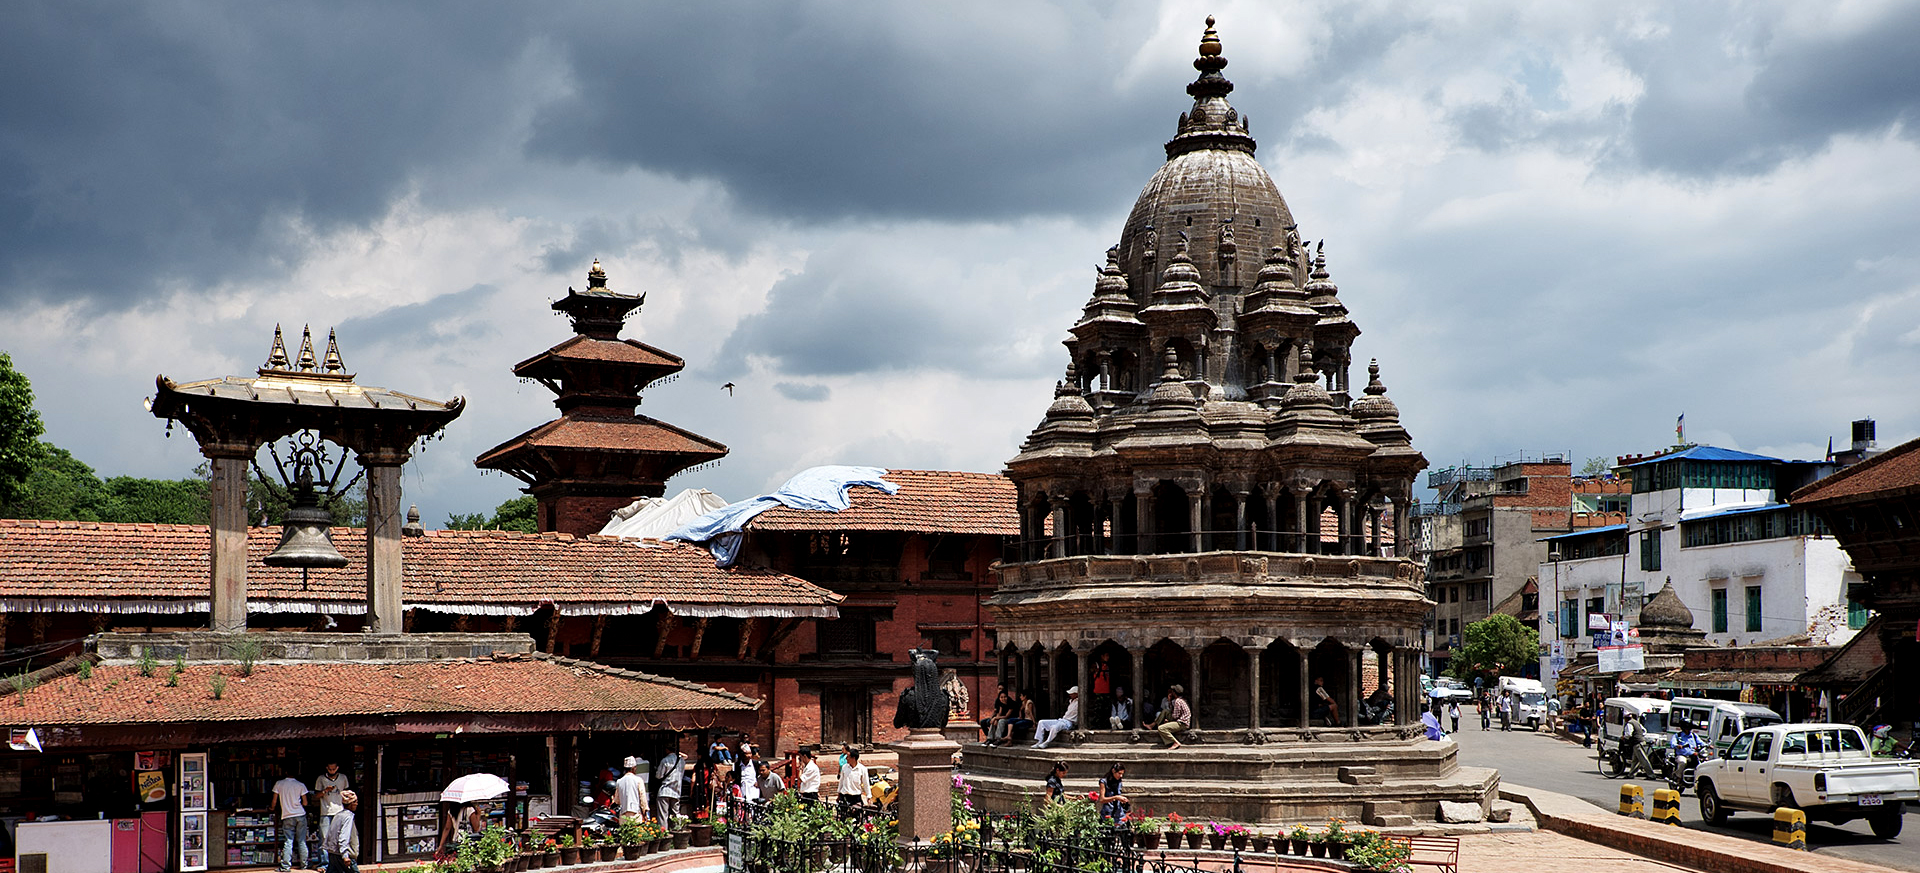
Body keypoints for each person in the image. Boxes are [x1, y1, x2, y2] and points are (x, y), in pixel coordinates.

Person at [314, 761, 350, 871]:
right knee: (324, 838)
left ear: (337, 768)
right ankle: (324, 864)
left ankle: (338, 862)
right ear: (326, 768)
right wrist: (325, 790)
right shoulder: (321, 779)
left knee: (340, 838)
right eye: (330, 769)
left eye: (334, 769)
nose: (332, 771)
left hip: (339, 811)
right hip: (326, 811)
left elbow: (347, 792)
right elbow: (316, 795)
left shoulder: (343, 778)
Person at [272, 771, 311, 873]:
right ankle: (304, 865)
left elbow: (274, 801)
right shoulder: (300, 785)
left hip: (287, 815)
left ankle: (286, 866)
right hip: (300, 814)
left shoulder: (279, 784)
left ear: (285, 772)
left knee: (288, 841)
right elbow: (305, 802)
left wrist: (271, 808)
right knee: (302, 841)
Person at [324, 790, 359, 873]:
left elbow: (330, 834)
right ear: (351, 804)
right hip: (343, 854)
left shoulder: (338, 815)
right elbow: (344, 836)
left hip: (333, 854)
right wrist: (345, 855)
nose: (357, 804)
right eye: (355, 802)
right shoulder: (348, 817)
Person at [1153, 685, 1191, 750]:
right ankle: (1153, 724)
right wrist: (1170, 701)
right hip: (1181, 721)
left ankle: (1175, 742)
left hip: (1182, 723)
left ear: (1174, 693)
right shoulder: (1181, 700)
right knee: (1165, 711)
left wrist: (1168, 721)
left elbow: (1175, 716)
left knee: (1161, 728)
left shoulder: (1177, 701)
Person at [654, 745, 685, 824]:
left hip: (665, 790)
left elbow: (659, 776)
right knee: (676, 815)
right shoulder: (682, 761)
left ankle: (664, 833)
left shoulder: (665, 760)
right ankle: (678, 831)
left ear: (667, 750)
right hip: (676, 791)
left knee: (663, 815)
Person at [836, 749, 870, 815]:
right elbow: (841, 782)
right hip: (845, 795)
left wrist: (868, 796)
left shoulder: (862, 769)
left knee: (856, 818)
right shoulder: (844, 767)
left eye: (848, 756)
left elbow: (866, 784)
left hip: (855, 797)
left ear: (853, 758)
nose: (846, 758)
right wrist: (838, 794)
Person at [614, 756, 648, 822]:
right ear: (633, 768)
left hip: (623, 815)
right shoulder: (638, 780)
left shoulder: (619, 781)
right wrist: (645, 813)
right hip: (635, 814)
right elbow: (643, 798)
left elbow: (617, 800)